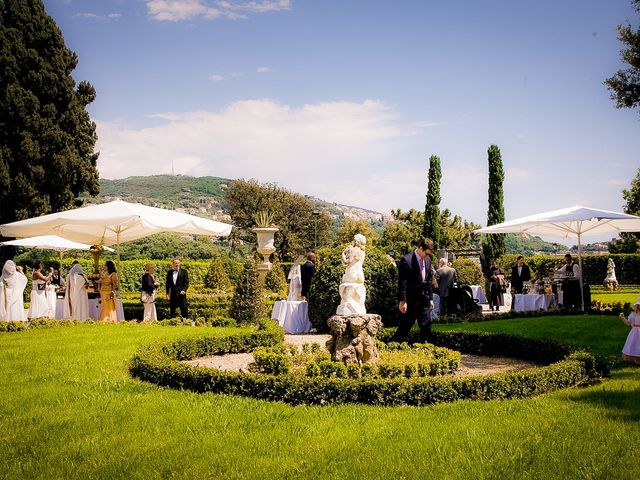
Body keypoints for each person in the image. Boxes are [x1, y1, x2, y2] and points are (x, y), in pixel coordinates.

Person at [392, 238, 435, 343]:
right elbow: (403, 282)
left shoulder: (428, 260)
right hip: (411, 300)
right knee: (405, 327)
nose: (427, 256)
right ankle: (392, 345)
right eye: (426, 253)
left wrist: (430, 298)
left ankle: (426, 347)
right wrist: (402, 301)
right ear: (420, 248)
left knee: (426, 325)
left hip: (423, 299)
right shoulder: (407, 260)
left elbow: (428, 280)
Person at [619, 298, 640, 364]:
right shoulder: (634, 314)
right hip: (635, 332)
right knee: (634, 344)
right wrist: (623, 318)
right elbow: (628, 323)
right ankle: (634, 358)